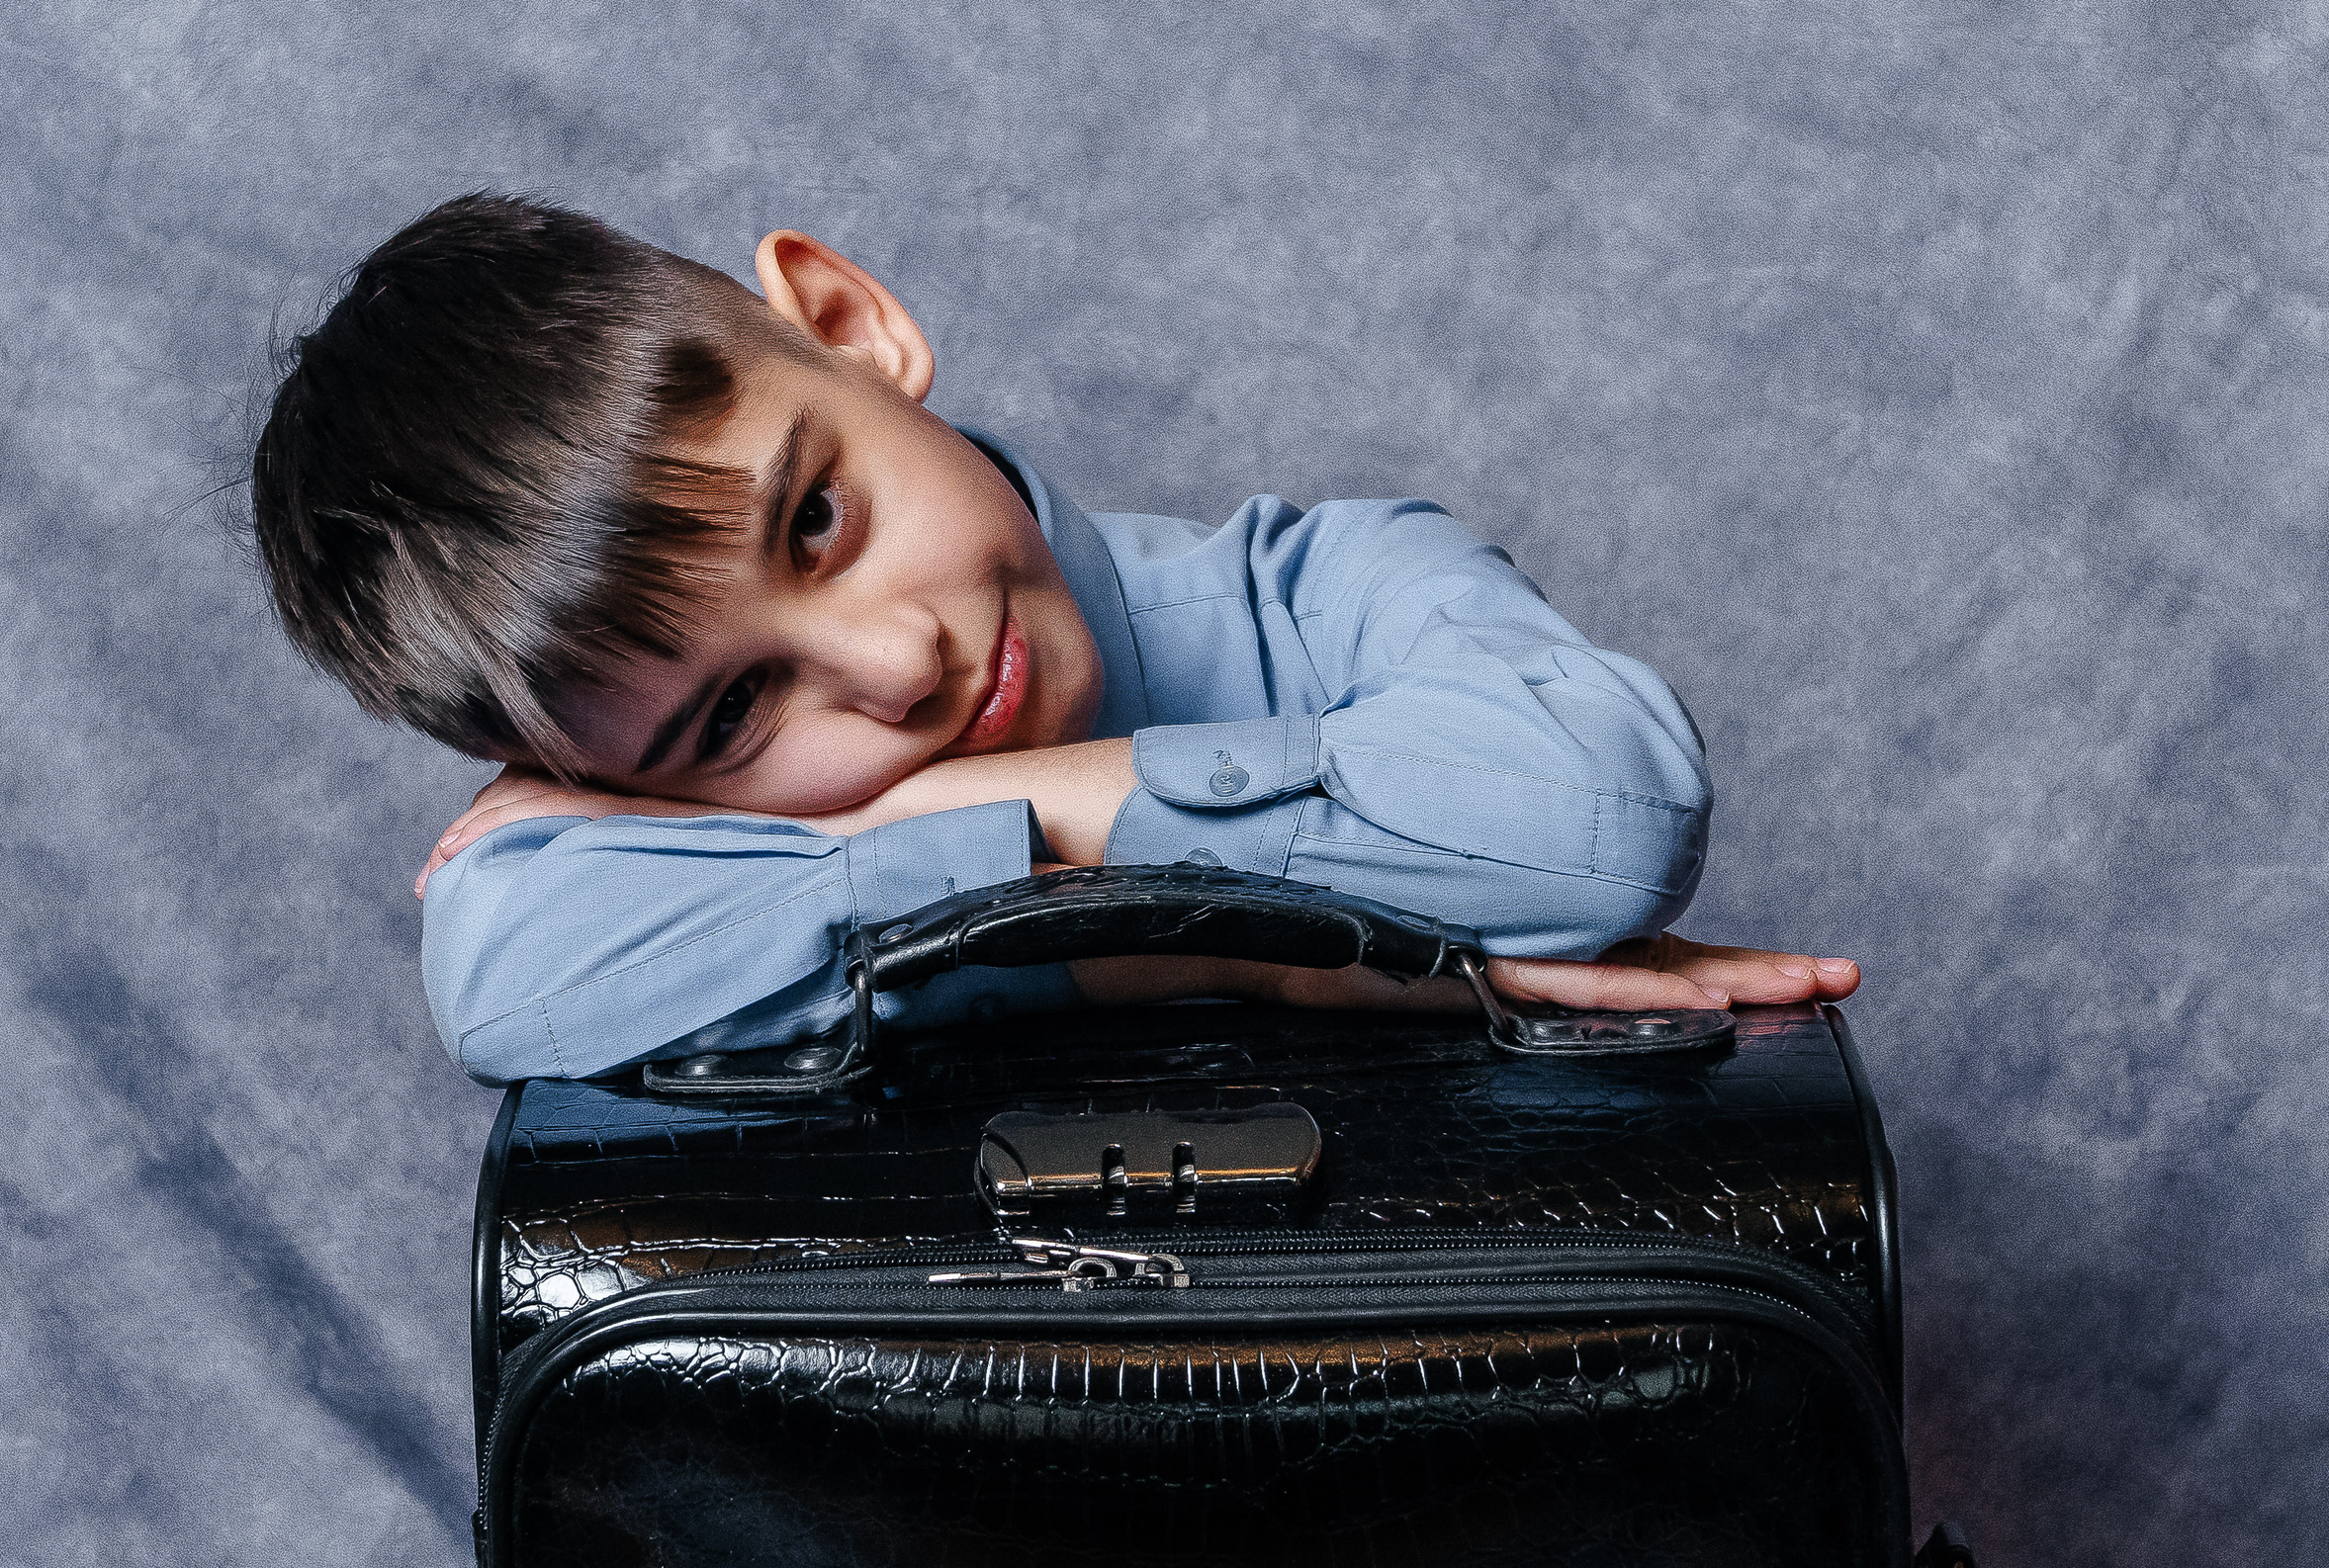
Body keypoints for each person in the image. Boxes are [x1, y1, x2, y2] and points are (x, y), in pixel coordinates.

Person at [251, 195, 1857, 1085]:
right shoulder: (612, 854)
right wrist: (1217, 939)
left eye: (816, 519)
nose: (897, 672)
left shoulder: (1337, 582)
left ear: (847, 329)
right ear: (556, 766)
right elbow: (505, 971)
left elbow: (1601, 820)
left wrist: (951, 830)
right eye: (736, 711)